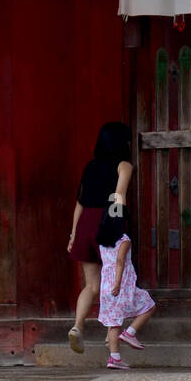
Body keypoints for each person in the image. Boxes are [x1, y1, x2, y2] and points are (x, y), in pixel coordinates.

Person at [66, 122, 133, 354]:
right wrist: (116, 228)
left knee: (92, 285)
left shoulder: (90, 167)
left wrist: (74, 234)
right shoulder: (123, 165)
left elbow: (79, 203)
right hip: (106, 222)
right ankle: (109, 336)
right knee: (115, 280)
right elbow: (119, 197)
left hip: (84, 223)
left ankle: (77, 327)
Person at [95, 198, 155, 370]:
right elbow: (120, 261)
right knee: (149, 304)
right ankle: (130, 332)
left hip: (105, 286)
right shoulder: (124, 240)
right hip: (120, 284)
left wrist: (111, 284)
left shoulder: (102, 242)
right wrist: (118, 283)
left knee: (114, 322)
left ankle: (114, 358)